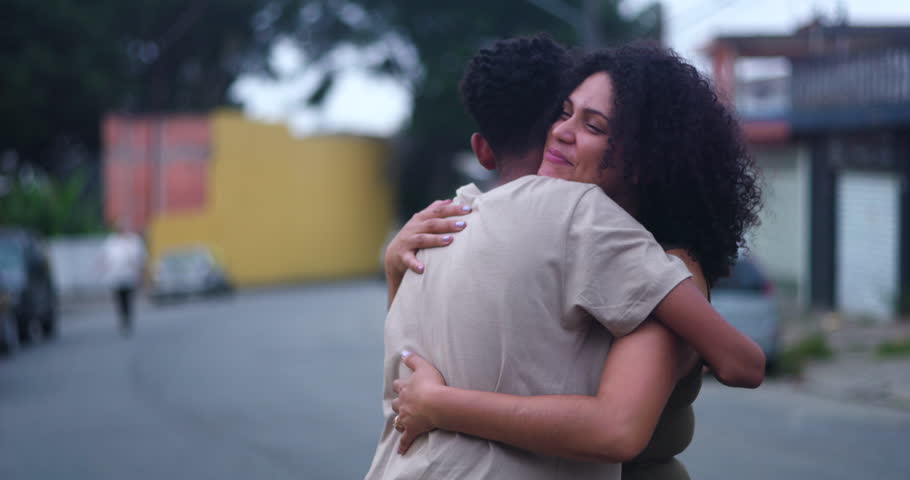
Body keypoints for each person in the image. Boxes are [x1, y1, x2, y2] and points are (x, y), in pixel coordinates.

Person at [366, 38, 763, 480]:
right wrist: (398, 270)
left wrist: (441, 405)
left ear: (645, 161)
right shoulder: (548, 237)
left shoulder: (662, 266)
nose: (560, 132)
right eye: (563, 112)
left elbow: (618, 428)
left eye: (593, 126)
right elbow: (426, 361)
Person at [101, 223, 146, 334]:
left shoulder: (133, 240)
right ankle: (123, 319)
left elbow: (140, 258)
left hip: (129, 276)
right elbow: (105, 257)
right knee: (119, 300)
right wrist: (103, 268)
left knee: (128, 299)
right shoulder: (111, 241)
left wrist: (141, 273)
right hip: (115, 276)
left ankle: (128, 318)